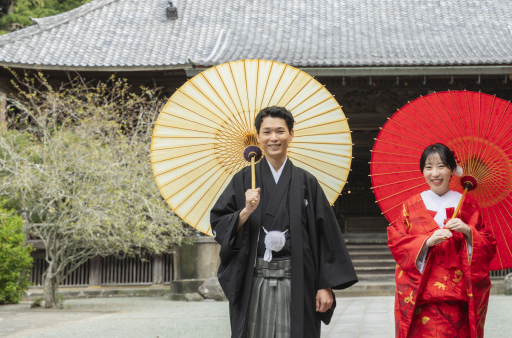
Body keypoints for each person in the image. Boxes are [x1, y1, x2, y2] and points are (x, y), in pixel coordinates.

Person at [210, 106, 358, 338]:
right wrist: (244, 212)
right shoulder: (242, 181)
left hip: (299, 280)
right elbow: (219, 224)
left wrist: (325, 285)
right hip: (255, 279)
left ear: (291, 134)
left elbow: (325, 236)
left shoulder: (306, 182)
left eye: (280, 131)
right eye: (267, 132)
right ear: (257, 137)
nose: (274, 138)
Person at [388, 143, 497, 338]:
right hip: (421, 298)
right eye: (428, 167)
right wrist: (426, 242)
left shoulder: (468, 205)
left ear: (453, 170)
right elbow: (397, 241)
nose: (435, 173)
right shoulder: (410, 206)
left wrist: (468, 231)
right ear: (422, 171)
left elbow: (488, 245)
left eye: (441, 166)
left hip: (459, 298)